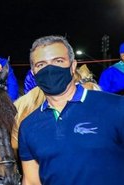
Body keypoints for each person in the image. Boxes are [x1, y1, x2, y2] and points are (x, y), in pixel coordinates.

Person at [18, 35, 124, 185]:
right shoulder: (28, 126)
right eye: (41, 64)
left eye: (58, 61)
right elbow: (31, 181)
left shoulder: (116, 107)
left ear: (73, 66)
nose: (50, 69)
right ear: (34, 73)